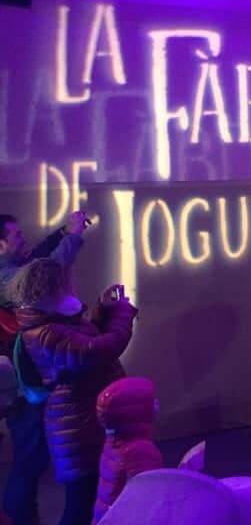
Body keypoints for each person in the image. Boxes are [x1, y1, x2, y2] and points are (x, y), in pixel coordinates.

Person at [8, 258, 137, 525]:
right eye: (66, 280)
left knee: (91, 497)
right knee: (82, 502)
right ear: (52, 286)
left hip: (82, 420)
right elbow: (98, 350)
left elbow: (86, 340)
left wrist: (102, 310)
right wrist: (122, 314)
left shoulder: (51, 322)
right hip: (76, 426)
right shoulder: (45, 333)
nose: (72, 283)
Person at [0, 211, 89, 525]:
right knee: (29, 460)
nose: (23, 238)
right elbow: (45, 271)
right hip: (25, 388)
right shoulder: (6, 278)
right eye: (16, 235)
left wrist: (61, 233)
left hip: (26, 385)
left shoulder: (9, 270)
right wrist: (73, 236)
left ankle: (23, 516)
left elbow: (37, 257)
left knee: (33, 459)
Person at [93, 377, 164, 523]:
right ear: (135, 412)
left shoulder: (115, 442)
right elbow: (146, 497)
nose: (156, 403)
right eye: (150, 401)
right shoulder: (139, 451)